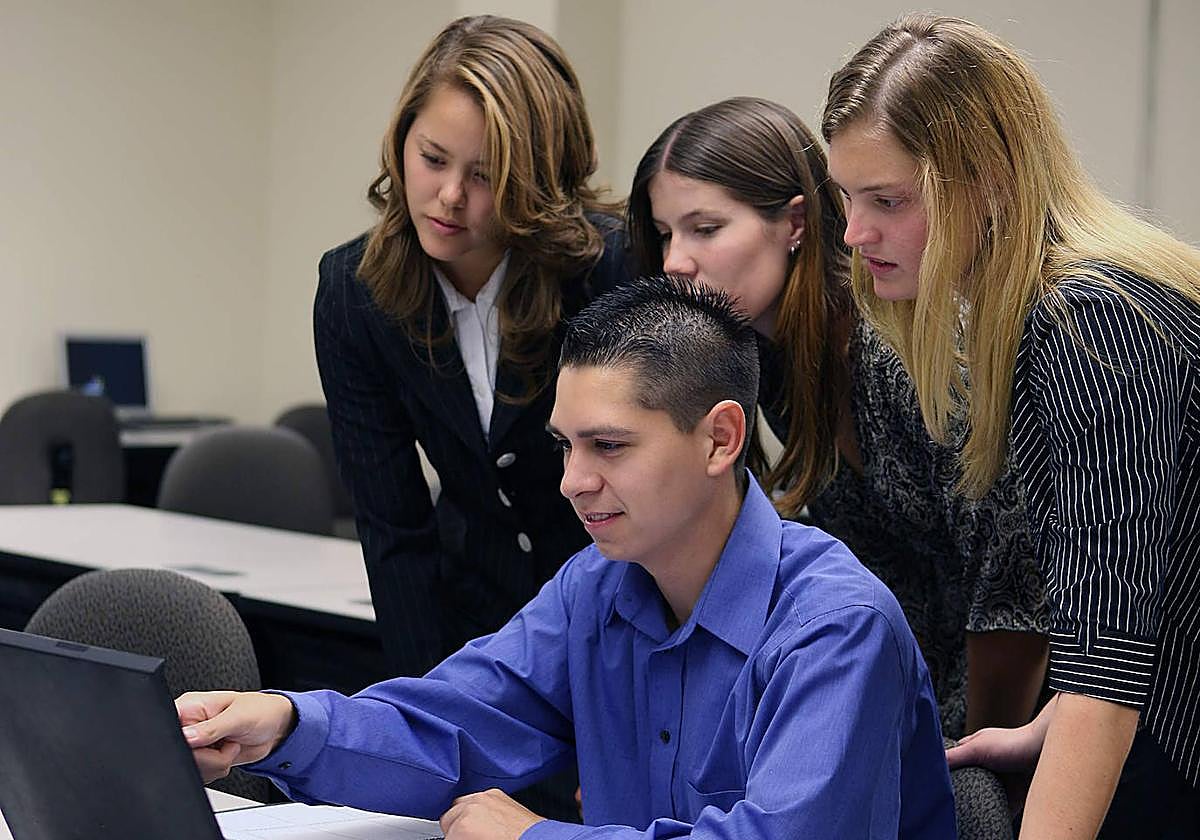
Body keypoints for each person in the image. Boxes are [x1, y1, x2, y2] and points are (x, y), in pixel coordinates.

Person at [178, 277, 956, 839]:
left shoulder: (835, 628)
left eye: (608, 446)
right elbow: (451, 725)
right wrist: (285, 725)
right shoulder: (600, 585)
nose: (573, 481)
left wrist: (533, 838)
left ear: (720, 439)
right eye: (566, 446)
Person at [820, 13, 1200, 837]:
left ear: (987, 180)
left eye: (887, 200)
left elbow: (1109, 658)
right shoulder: (1051, 313)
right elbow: (1138, 598)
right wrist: (1047, 726)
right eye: (847, 198)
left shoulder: (1092, 326)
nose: (853, 233)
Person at [626, 95, 1048, 740]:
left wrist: (971, 762)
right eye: (665, 233)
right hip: (920, 699)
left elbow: (1012, 586)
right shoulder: (771, 362)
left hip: (1040, 711)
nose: (675, 261)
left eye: (705, 229)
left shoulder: (890, 345)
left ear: (795, 223)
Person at [313, 15, 630, 683]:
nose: (450, 197)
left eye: (485, 176)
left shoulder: (611, 269)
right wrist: (427, 713)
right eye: (432, 159)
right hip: (473, 626)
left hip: (620, 623)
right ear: (401, 139)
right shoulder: (353, 292)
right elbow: (393, 530)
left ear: (537, 180)